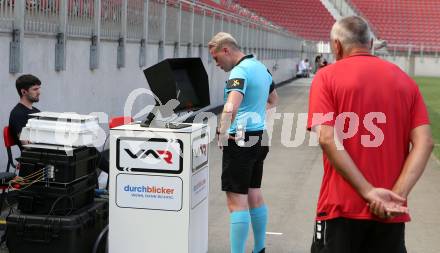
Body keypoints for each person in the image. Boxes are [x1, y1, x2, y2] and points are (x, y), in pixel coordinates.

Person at [307, 16, 433, 253]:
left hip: (340, 209)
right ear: (371, 43)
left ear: (337, 45)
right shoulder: (405, 81)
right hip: (389, 213)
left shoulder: (326, 77)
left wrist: (368, 192)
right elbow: (425, 142)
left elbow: (326, 137)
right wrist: (396, 197)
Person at [208, 32, 278, 253]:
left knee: (236, 202)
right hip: (260, 137)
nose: (216, 63)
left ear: (226, 50)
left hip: (241, 139)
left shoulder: (239, 71)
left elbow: (231, 106)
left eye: (216, 57)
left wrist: (222, 131)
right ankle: (259, 249)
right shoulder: (261, 68)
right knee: (254, 194)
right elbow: (273, 100)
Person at [9, 74, 110, 173]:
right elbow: (26, 145)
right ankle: (111, 174)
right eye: (35, 89)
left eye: (39, 88)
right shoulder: (17, 114)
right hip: (37, 156)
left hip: (47, 151)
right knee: (85, 152)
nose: (39, 92)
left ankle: (105, 179)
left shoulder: (35, 111)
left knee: (86, 147)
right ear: (23, 92)